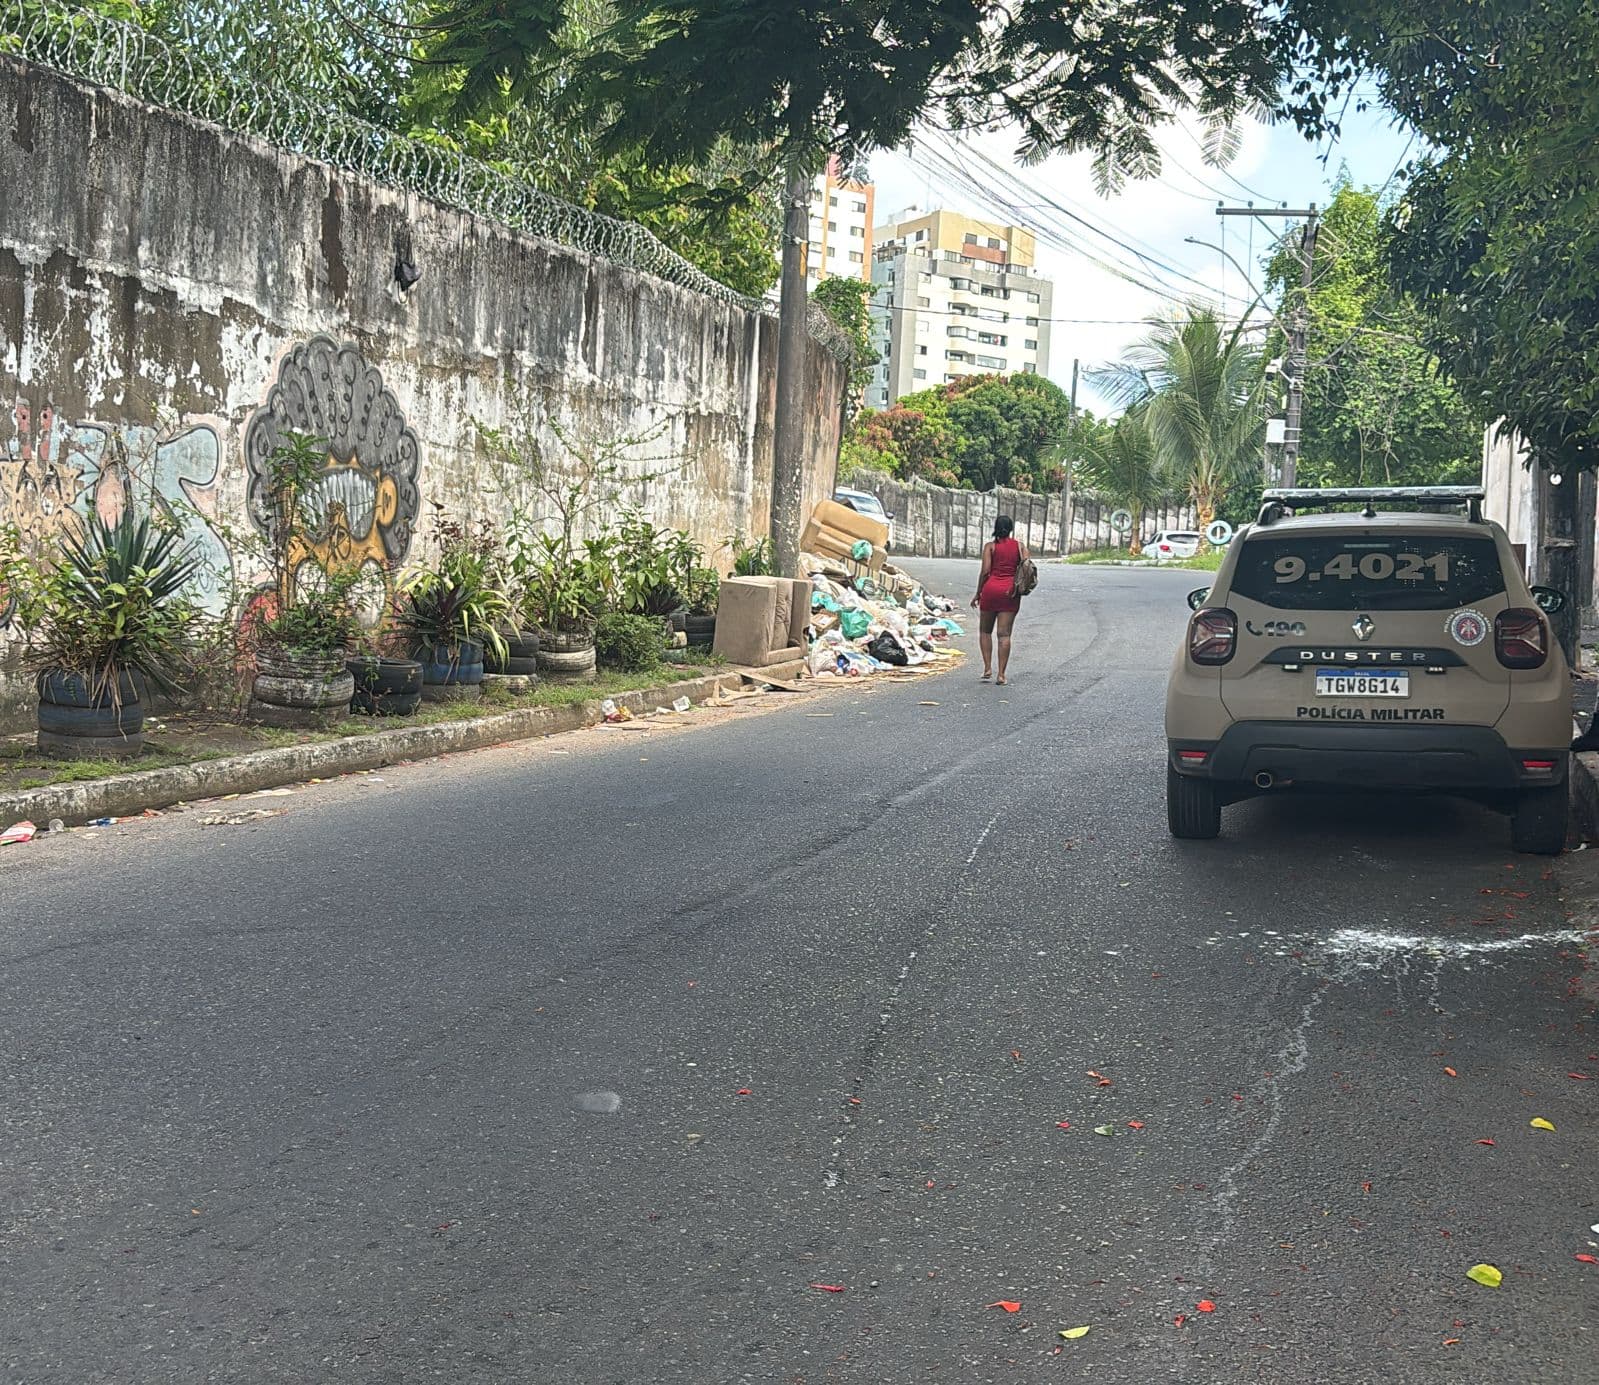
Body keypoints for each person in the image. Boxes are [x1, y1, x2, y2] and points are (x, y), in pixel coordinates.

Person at [971, 515, 1028, 685]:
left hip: (990, 591)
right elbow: (1027, 568)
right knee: (1004, 635)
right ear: (1010, 528)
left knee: (985, 631)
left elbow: (985, 571)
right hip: (1010, 593)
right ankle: (1001, 674)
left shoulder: (990, 547)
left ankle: (987, 668)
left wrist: (978, 593)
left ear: (996, 527)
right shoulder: (1020, 547)